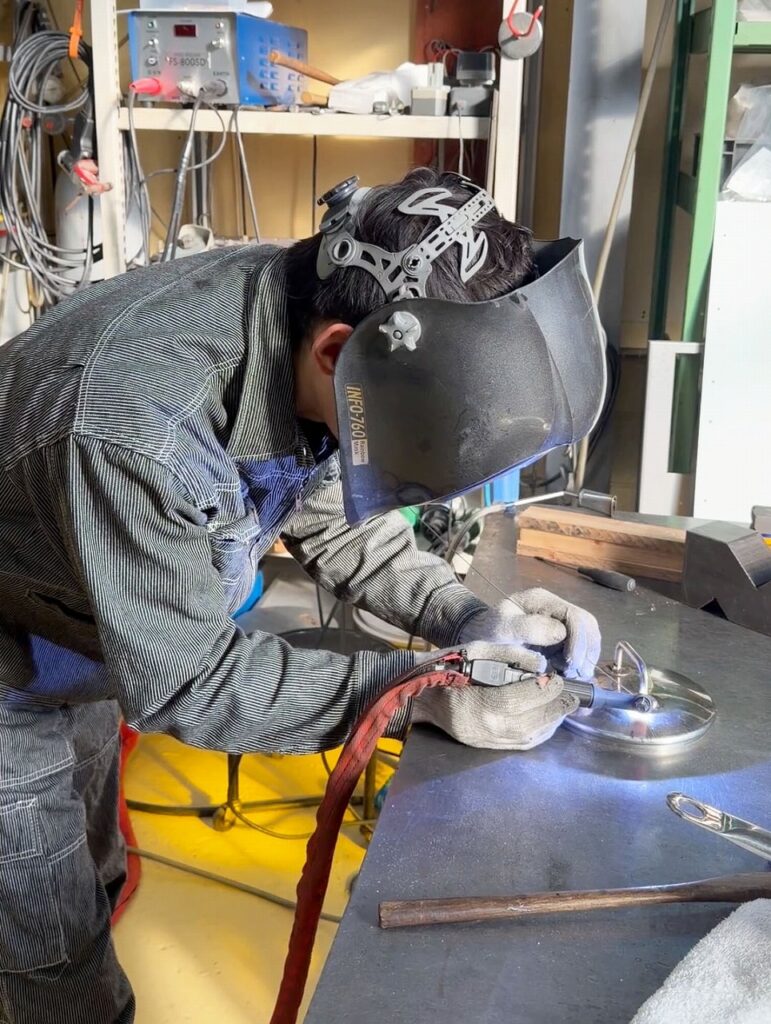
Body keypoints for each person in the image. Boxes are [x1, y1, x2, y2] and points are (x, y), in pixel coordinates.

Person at [0, 167, 605, 1023]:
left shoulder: (305, 306)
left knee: (91, 876)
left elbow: (332, 514)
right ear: (335, 351)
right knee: (52, 955)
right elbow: (191, 680)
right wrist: (422, 692)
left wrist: (467, 617)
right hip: (8, 661)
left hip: (80, 621)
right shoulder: (135, 425)